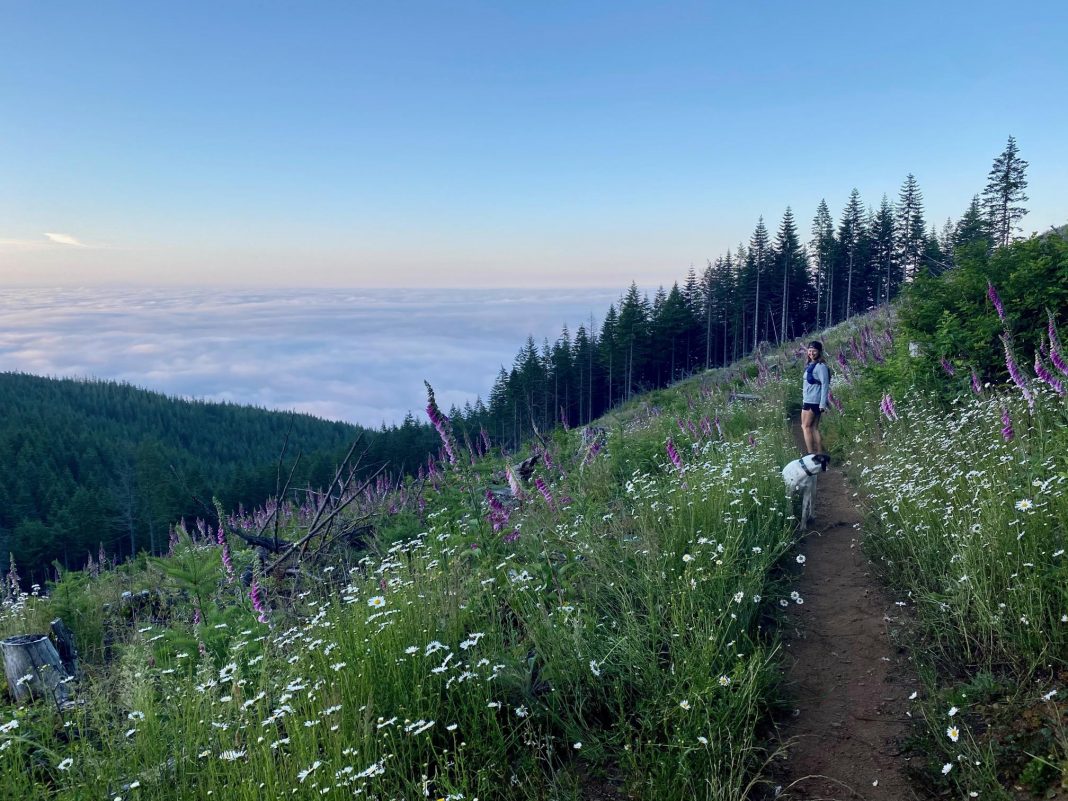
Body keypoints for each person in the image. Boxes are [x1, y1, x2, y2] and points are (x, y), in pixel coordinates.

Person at [801, 340, 830, 454]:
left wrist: (822, 403)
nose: (811, 353)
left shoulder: (821, 366)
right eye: (809, 350)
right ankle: (819, 454)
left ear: (819, 352)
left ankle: (811, 455)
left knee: (806, 427)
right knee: (813, 428)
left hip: (813, 401)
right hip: (809, 400)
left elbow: (825, 385)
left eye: (814, 350)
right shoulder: (811, 365)